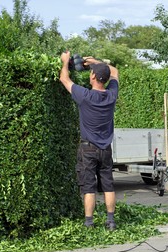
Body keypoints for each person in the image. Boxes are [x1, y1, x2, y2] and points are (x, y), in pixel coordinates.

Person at [60, 51, 119, 230]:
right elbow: (114, 72)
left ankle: (89, 222)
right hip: (106, 148)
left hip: (88, 149)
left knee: (88, 187)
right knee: (108, 184)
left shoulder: (85, 96)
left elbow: (64, 79)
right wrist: (97, 63)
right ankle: (110, 221)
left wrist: (64, 62)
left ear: (92, 76)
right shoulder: (111, 95)